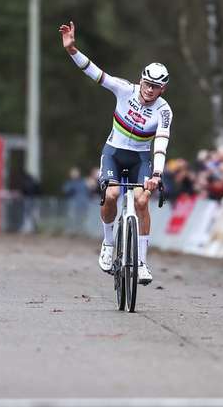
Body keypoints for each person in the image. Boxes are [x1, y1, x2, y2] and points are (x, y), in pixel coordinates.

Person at [59, 20, 173, 285]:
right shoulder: (125, 90)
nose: (148, 90)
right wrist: (72, 49)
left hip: (141, 158)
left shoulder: (164, 111)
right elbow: (95, 73)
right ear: (141, 80)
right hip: (114, 152)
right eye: (146, 83)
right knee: (111, 194)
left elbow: (161, 143)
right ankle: (109, 244)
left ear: (162, 89)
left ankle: (142, 262)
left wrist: (156, 174)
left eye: (154, 87)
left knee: (142, 201)